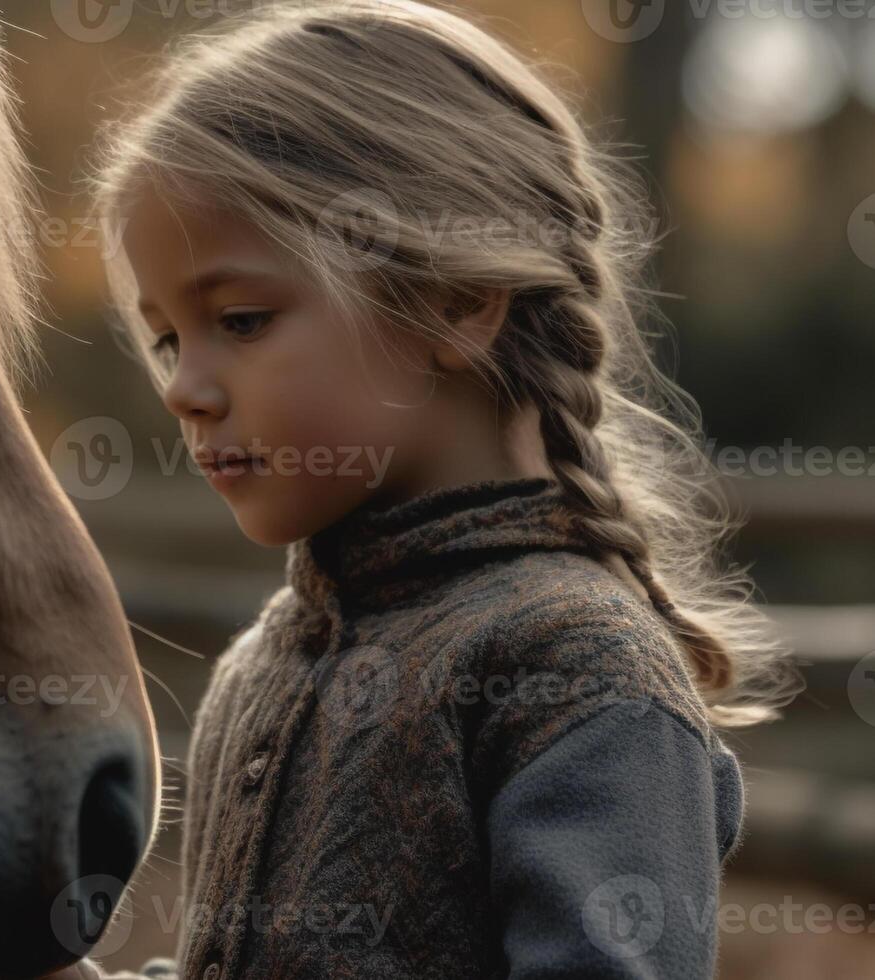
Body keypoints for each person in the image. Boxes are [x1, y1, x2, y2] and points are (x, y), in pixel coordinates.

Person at [58, 2, 799, 976]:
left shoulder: (571, 666)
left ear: (455, 303)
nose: (183, 389)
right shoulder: (261, 660)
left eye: (237, 319)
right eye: (166, 339)